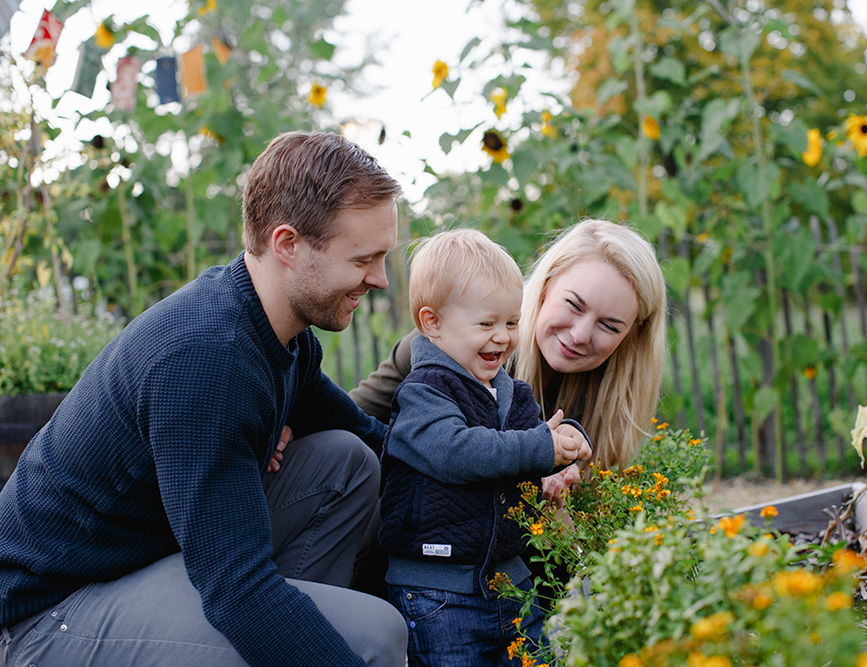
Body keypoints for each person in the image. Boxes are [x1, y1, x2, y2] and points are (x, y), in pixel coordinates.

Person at [0, 131, 408, 667]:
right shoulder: (208, 359)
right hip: (47, 611)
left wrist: (500, 472)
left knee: (347, 464)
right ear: (287, 244)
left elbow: (366, 436)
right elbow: (237, 590)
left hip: (148, 560)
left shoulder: (281, 334)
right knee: (375, 636)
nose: (379, 279)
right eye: (364, 259)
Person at [378, 229, 591, 666]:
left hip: (508, 577)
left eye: (511, 322)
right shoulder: (424, 393)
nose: (503, 337)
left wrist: (566, 445)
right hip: (438, 589)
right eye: (486, 323)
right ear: (432, 322)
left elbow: (534, 438)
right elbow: (460, 453)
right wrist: (539, 449)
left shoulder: (510, 391)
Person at [352, 218, 667, 483]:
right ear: (546, 285)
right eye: (573, 304)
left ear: (630, 337)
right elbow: (350, 423)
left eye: (609, 326)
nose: (580, 335)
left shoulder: (605, 400)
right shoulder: (447, 348)